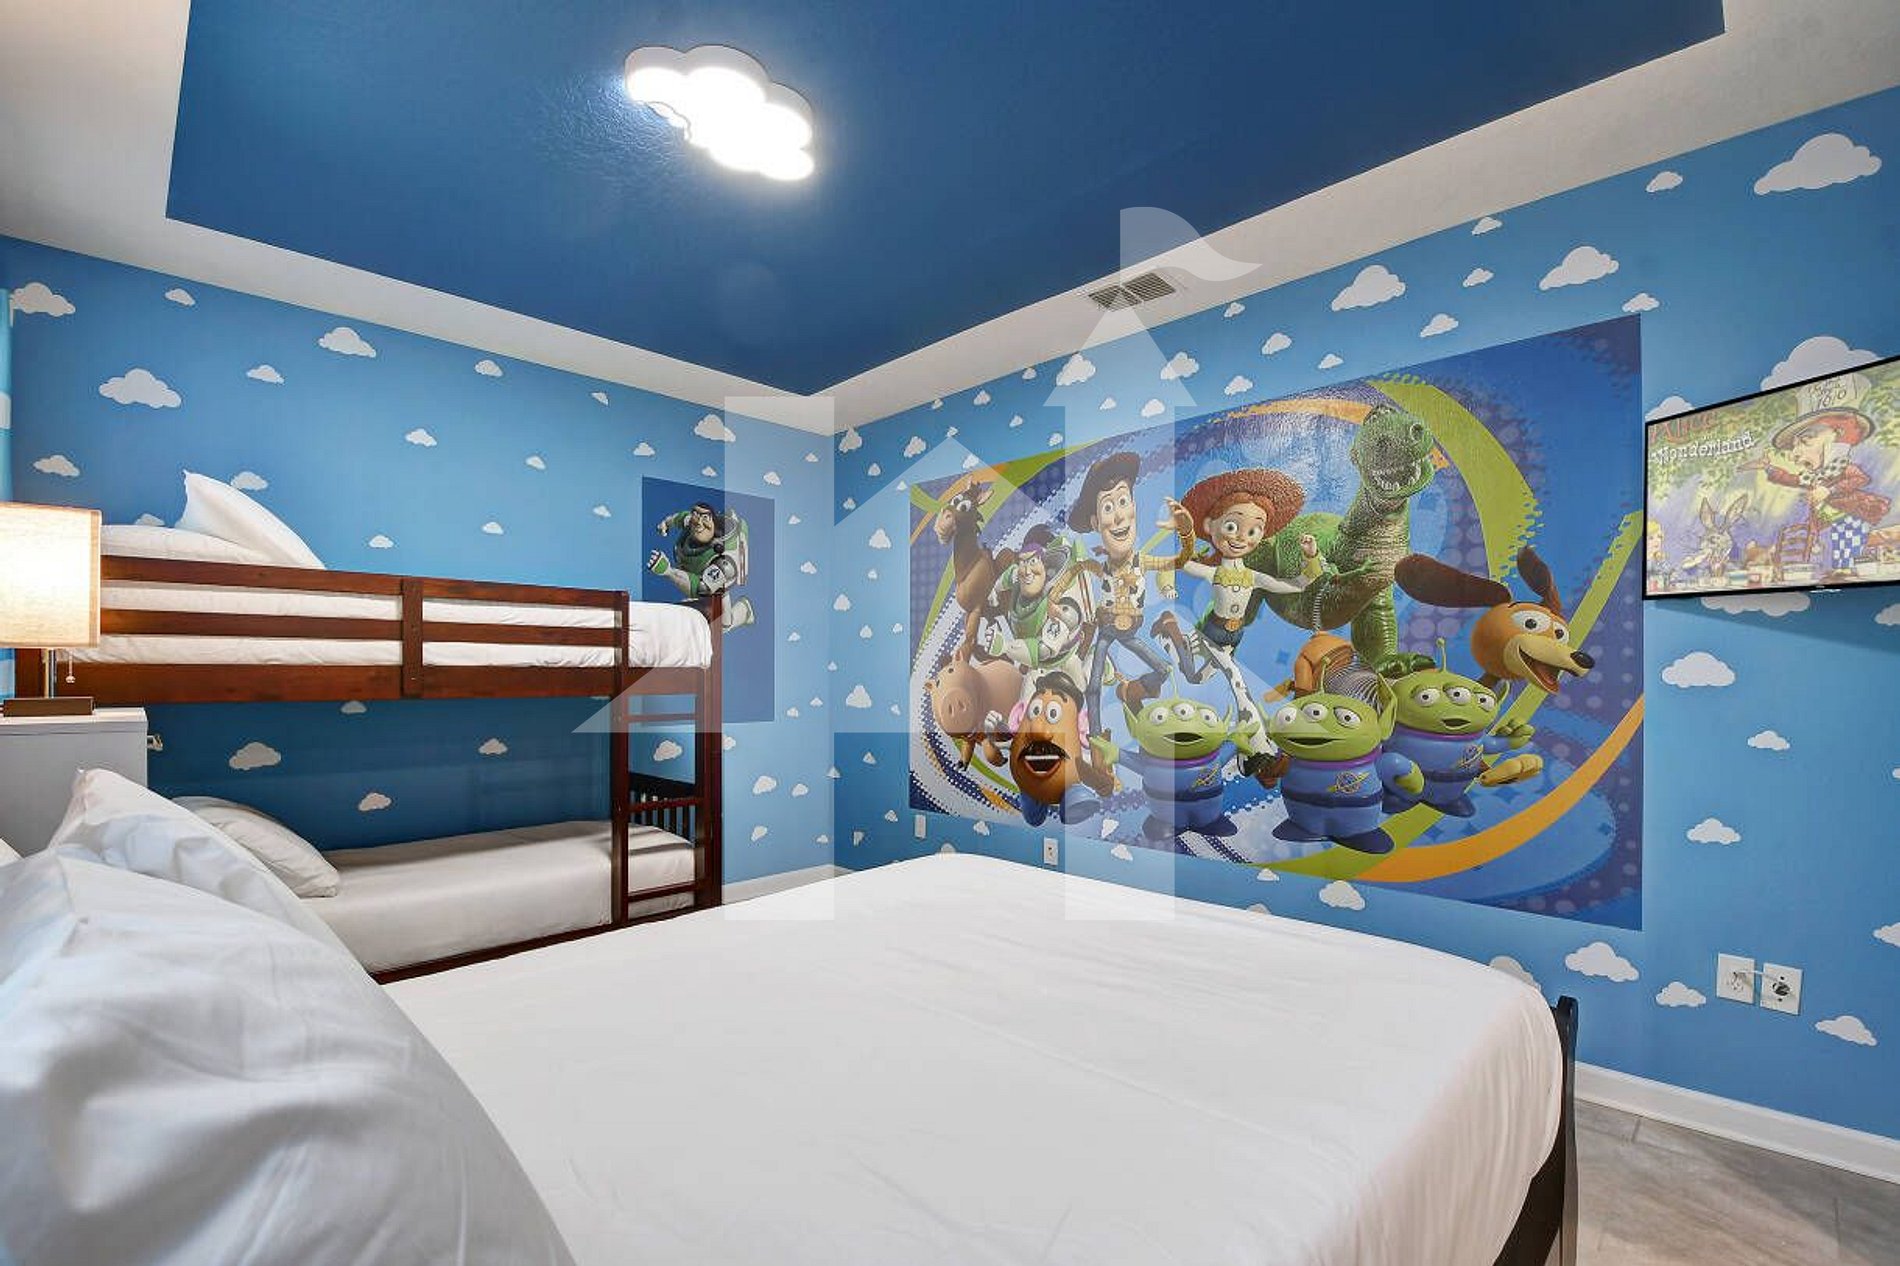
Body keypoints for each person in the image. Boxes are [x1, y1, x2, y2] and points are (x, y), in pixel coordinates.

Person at [1153, 467, 1312, 775]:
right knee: (1237, 683)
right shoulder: (1214, 572)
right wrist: (1184, 534)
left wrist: (1310, 558)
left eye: (1253, 531)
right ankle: (1259, 747)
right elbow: (1180, 563)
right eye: (1231, 526)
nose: (1241, 537)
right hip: (1213, 632)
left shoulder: (1252, 576)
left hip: (1234, 637)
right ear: (1211, 526)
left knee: (1197, 678)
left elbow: (1295, 585)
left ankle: (1170, 635)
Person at [1066, 452, 1193, 731]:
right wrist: (1055, 598)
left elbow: (1179, 561)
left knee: (1163, 669)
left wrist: (1186, 534)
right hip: (1105, 630)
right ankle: (1096, 735)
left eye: (1123, 502)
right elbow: (1078, 569)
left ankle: (1133, 690)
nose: (1119, 516)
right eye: (1108, 507)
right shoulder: (1101, 567)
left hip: (1129, 631)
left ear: (1133, 506)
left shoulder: (1142, 562)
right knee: (1094, 686)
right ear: (1096, 523)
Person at [648, 501, 756, 630]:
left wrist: (668, 571)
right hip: (699, 574)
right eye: (696, 515)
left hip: (719, 586)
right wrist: (666, 524)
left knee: (722, 626)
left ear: (713, 522)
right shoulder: (693, 523)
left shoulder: (724, 563)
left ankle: (744, 610)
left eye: (705, 518)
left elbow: (701, 588)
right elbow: (680, 518)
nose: (699, 523)